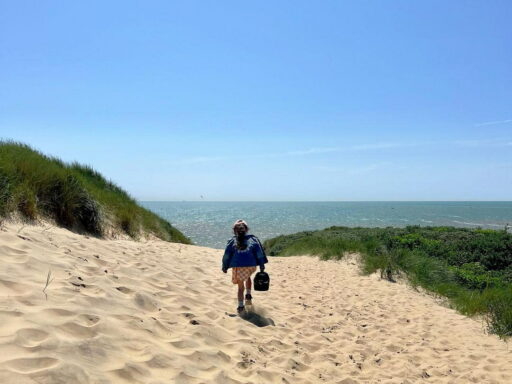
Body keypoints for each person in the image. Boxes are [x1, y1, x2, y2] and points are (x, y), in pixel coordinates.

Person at [222, 219, 268, 313]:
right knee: (248, 277)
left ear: (235, 231)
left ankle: (241, 306)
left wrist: (225, 266)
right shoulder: (253, 239)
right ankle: (248, 294)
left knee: (240, 287)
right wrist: (262, 265)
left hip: (239, 267)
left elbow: (227, 255)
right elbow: (259, 253)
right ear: (246, 230)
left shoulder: (232, 241)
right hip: (251, 266)